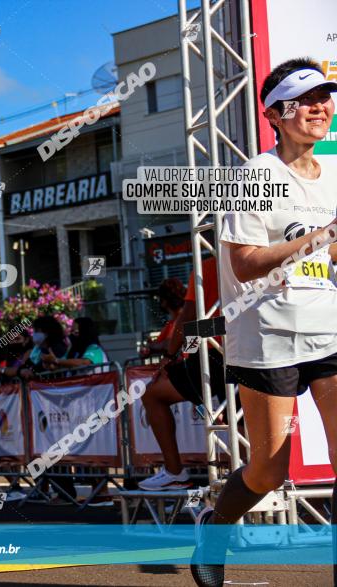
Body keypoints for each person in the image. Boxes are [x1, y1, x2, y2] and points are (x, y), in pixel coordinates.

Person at [191, 58, 337, 587]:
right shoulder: (256, 175)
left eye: (326, 96)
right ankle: (216, 526)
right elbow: (245, 262)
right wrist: (321, 238)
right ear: (276, 113)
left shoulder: (336, 173)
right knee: (270, 471)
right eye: (306, 99)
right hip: (268, 335)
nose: (320, 107)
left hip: (331, 328)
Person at [139, 256, 226, 491]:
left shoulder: (208, 264)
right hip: (252, 348)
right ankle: (259, 474)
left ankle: (174, 471)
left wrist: (168, 355)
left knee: (152, 395)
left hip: (215, 354)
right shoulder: (261, 256)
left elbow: (189, 321)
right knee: (239, 420)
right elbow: (198, 327)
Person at [140, 278, 187, 358]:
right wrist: (150, 347)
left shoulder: (182, 321)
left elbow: (170, 343)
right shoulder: (172, 324)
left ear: (164, 300)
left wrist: (153, 346)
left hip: (184, 366)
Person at [42, 317, 108, 371]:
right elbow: (62, 364)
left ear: (86, 332)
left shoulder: (94, 349)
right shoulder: (74, 351)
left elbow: (84, 363)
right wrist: (50, 364)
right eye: (71, 331)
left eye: (76, 332)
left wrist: (56, 360)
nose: (72, 335)